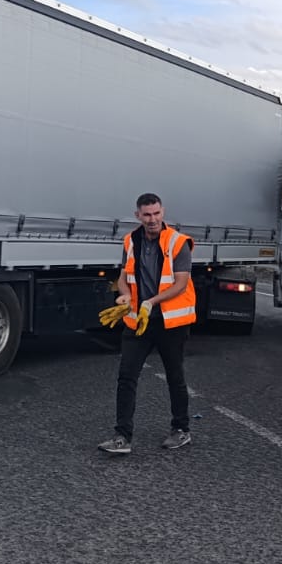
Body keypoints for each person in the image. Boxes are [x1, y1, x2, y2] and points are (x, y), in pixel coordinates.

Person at [97, 193, 196, 454]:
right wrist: (125, 295)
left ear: (163, 212)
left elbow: (181, 283)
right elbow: (123, 277)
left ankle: (181, 429)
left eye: (156, 213)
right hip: (138, 322)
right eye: (147, 214)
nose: (152, 219)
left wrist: (151, 302)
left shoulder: (178, 242)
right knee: (126, 376)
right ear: (138, 215)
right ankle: (122, 437)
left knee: (175, 376)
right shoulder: (130, 241)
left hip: (170, 322)